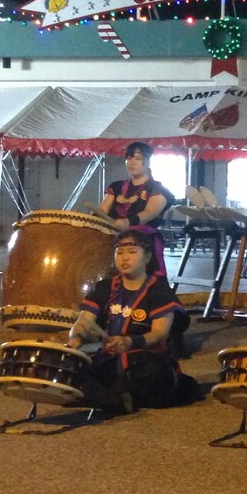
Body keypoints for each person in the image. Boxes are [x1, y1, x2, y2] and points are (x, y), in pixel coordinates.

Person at [66, 229, 195, 412]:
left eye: (132, 252)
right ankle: (114, 396)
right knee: (77, 364)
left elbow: (159, 334)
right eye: (119, 252)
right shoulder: (105, 287)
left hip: (147, 358)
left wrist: (130, 341)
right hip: (110, 358)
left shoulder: (159, 290)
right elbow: (83, 322)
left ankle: (108, 396)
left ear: (148, 256)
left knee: (149, 371)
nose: (124, 258)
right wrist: (77, 339)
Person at [98, 141, 174, 275]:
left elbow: (150, 212)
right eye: (129, 158)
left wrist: (128, 222)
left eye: (138, 158)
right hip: (115, 245)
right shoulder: (116, 187)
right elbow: (102, 210)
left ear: (148, 161)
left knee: (150, 287)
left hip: (143, 244)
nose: (132, 162)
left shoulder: (157, 189)